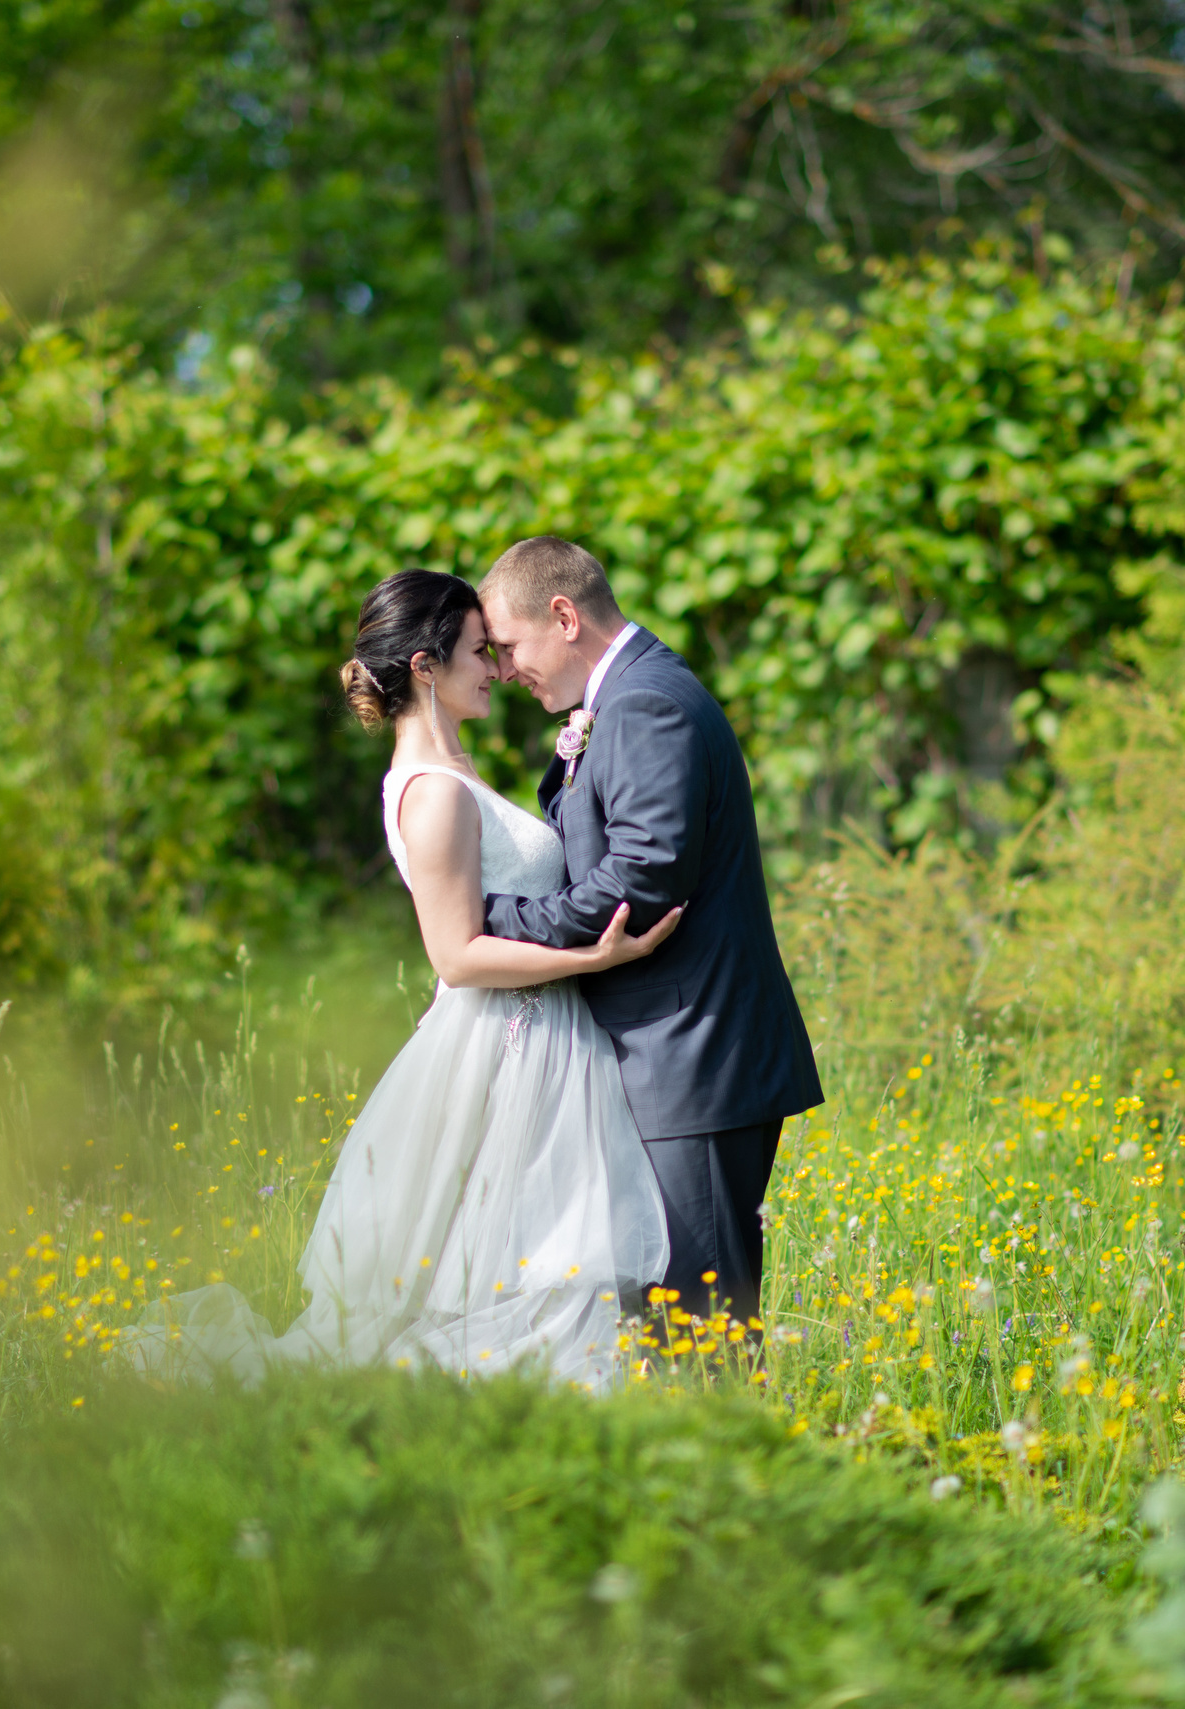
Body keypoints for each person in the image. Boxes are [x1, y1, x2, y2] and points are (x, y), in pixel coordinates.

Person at [117, 568, 676, 1389]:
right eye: (479, 652)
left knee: (528, 1264)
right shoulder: (434, 794)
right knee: (508, 1273)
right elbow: (456, 954)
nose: (498, 669)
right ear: (425, 665)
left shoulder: (456, 773)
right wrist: (593, 957)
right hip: (501, 1045)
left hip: (539, 1042)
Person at [477, 537, 822, 1335]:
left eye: (510, 646)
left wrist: (491, 919)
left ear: (564, 616)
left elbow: (639, 880)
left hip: (690, 1056)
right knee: (667, 1323)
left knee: (702, 1326)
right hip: (673, 1055)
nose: (505, 670)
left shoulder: (643, 704)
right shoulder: (629, 695)